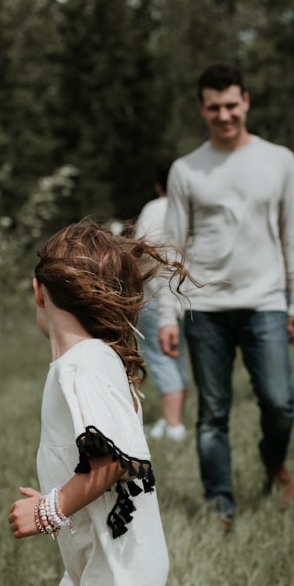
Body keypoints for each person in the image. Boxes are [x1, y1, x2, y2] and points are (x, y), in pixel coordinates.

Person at [7, 219, 192, 586]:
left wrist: (48, 510)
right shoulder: (92, 361)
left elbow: (110, 462)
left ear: (39, 291)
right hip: (104, 557)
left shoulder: (83, 365)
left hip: (115, 568)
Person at [158, 63, 294, 527]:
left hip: (266, 300)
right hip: (205, 309)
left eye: (231, 105)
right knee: (212, 415)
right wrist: (168, 313)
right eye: (213, 107)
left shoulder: (279, 160)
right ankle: (220, 505)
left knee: (279, 403)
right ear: (202, 109)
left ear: (246, 101)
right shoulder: (186, 169)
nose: (223, 115)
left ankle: (272, 460)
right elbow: (172, 249)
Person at [136, 165, 191, 442]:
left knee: (160, 355)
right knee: (176, 355)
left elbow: (142, 249)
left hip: (158, 291)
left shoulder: (155, 208)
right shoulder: (196, 207)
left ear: (160, 185)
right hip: (189, 296)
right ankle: (174, 419)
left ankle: (173, 424)